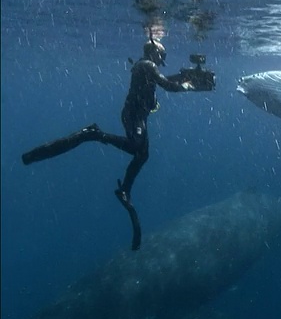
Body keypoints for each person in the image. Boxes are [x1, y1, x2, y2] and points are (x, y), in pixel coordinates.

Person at [21, 38, 195, 250]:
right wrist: (186, 85)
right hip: (133, 116)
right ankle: (95, 134)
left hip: (138, 116)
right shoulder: (146, 65)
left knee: (143, 154)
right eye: (162, 54)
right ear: (154, 52)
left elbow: (161, 80)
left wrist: (183, 76)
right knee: (136, 148)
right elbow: (167, 85)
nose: (163, 58)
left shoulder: (145, 66)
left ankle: (125, 190)